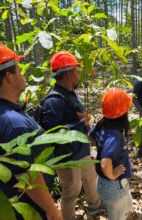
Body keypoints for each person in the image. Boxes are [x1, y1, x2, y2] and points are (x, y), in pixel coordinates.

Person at [0, 43, 61, 219]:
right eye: (18, 70)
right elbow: (27, 177)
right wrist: (52, 211)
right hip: (25, 209)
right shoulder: (13, 124)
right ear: (8, 77)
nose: (22, 74)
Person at [41, 51, 101, 220]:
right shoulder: (53, 101)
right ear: (68, 74)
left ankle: (95, 207)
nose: (79, 74)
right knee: (72, 190)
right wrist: (80, 123)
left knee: (90, 178)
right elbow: (52, 132)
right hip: (66, 156)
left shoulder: (70, 93)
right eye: (76, 71)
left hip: (80, 151)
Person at [89, 88, 133, 220]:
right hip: (114, 185)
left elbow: (90, 137)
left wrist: (96, 151)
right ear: (123, 113)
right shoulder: (114, 136)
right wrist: (112, 174)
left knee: (124, 209)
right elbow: (105, 162)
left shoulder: (102, 123)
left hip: (103, 181)